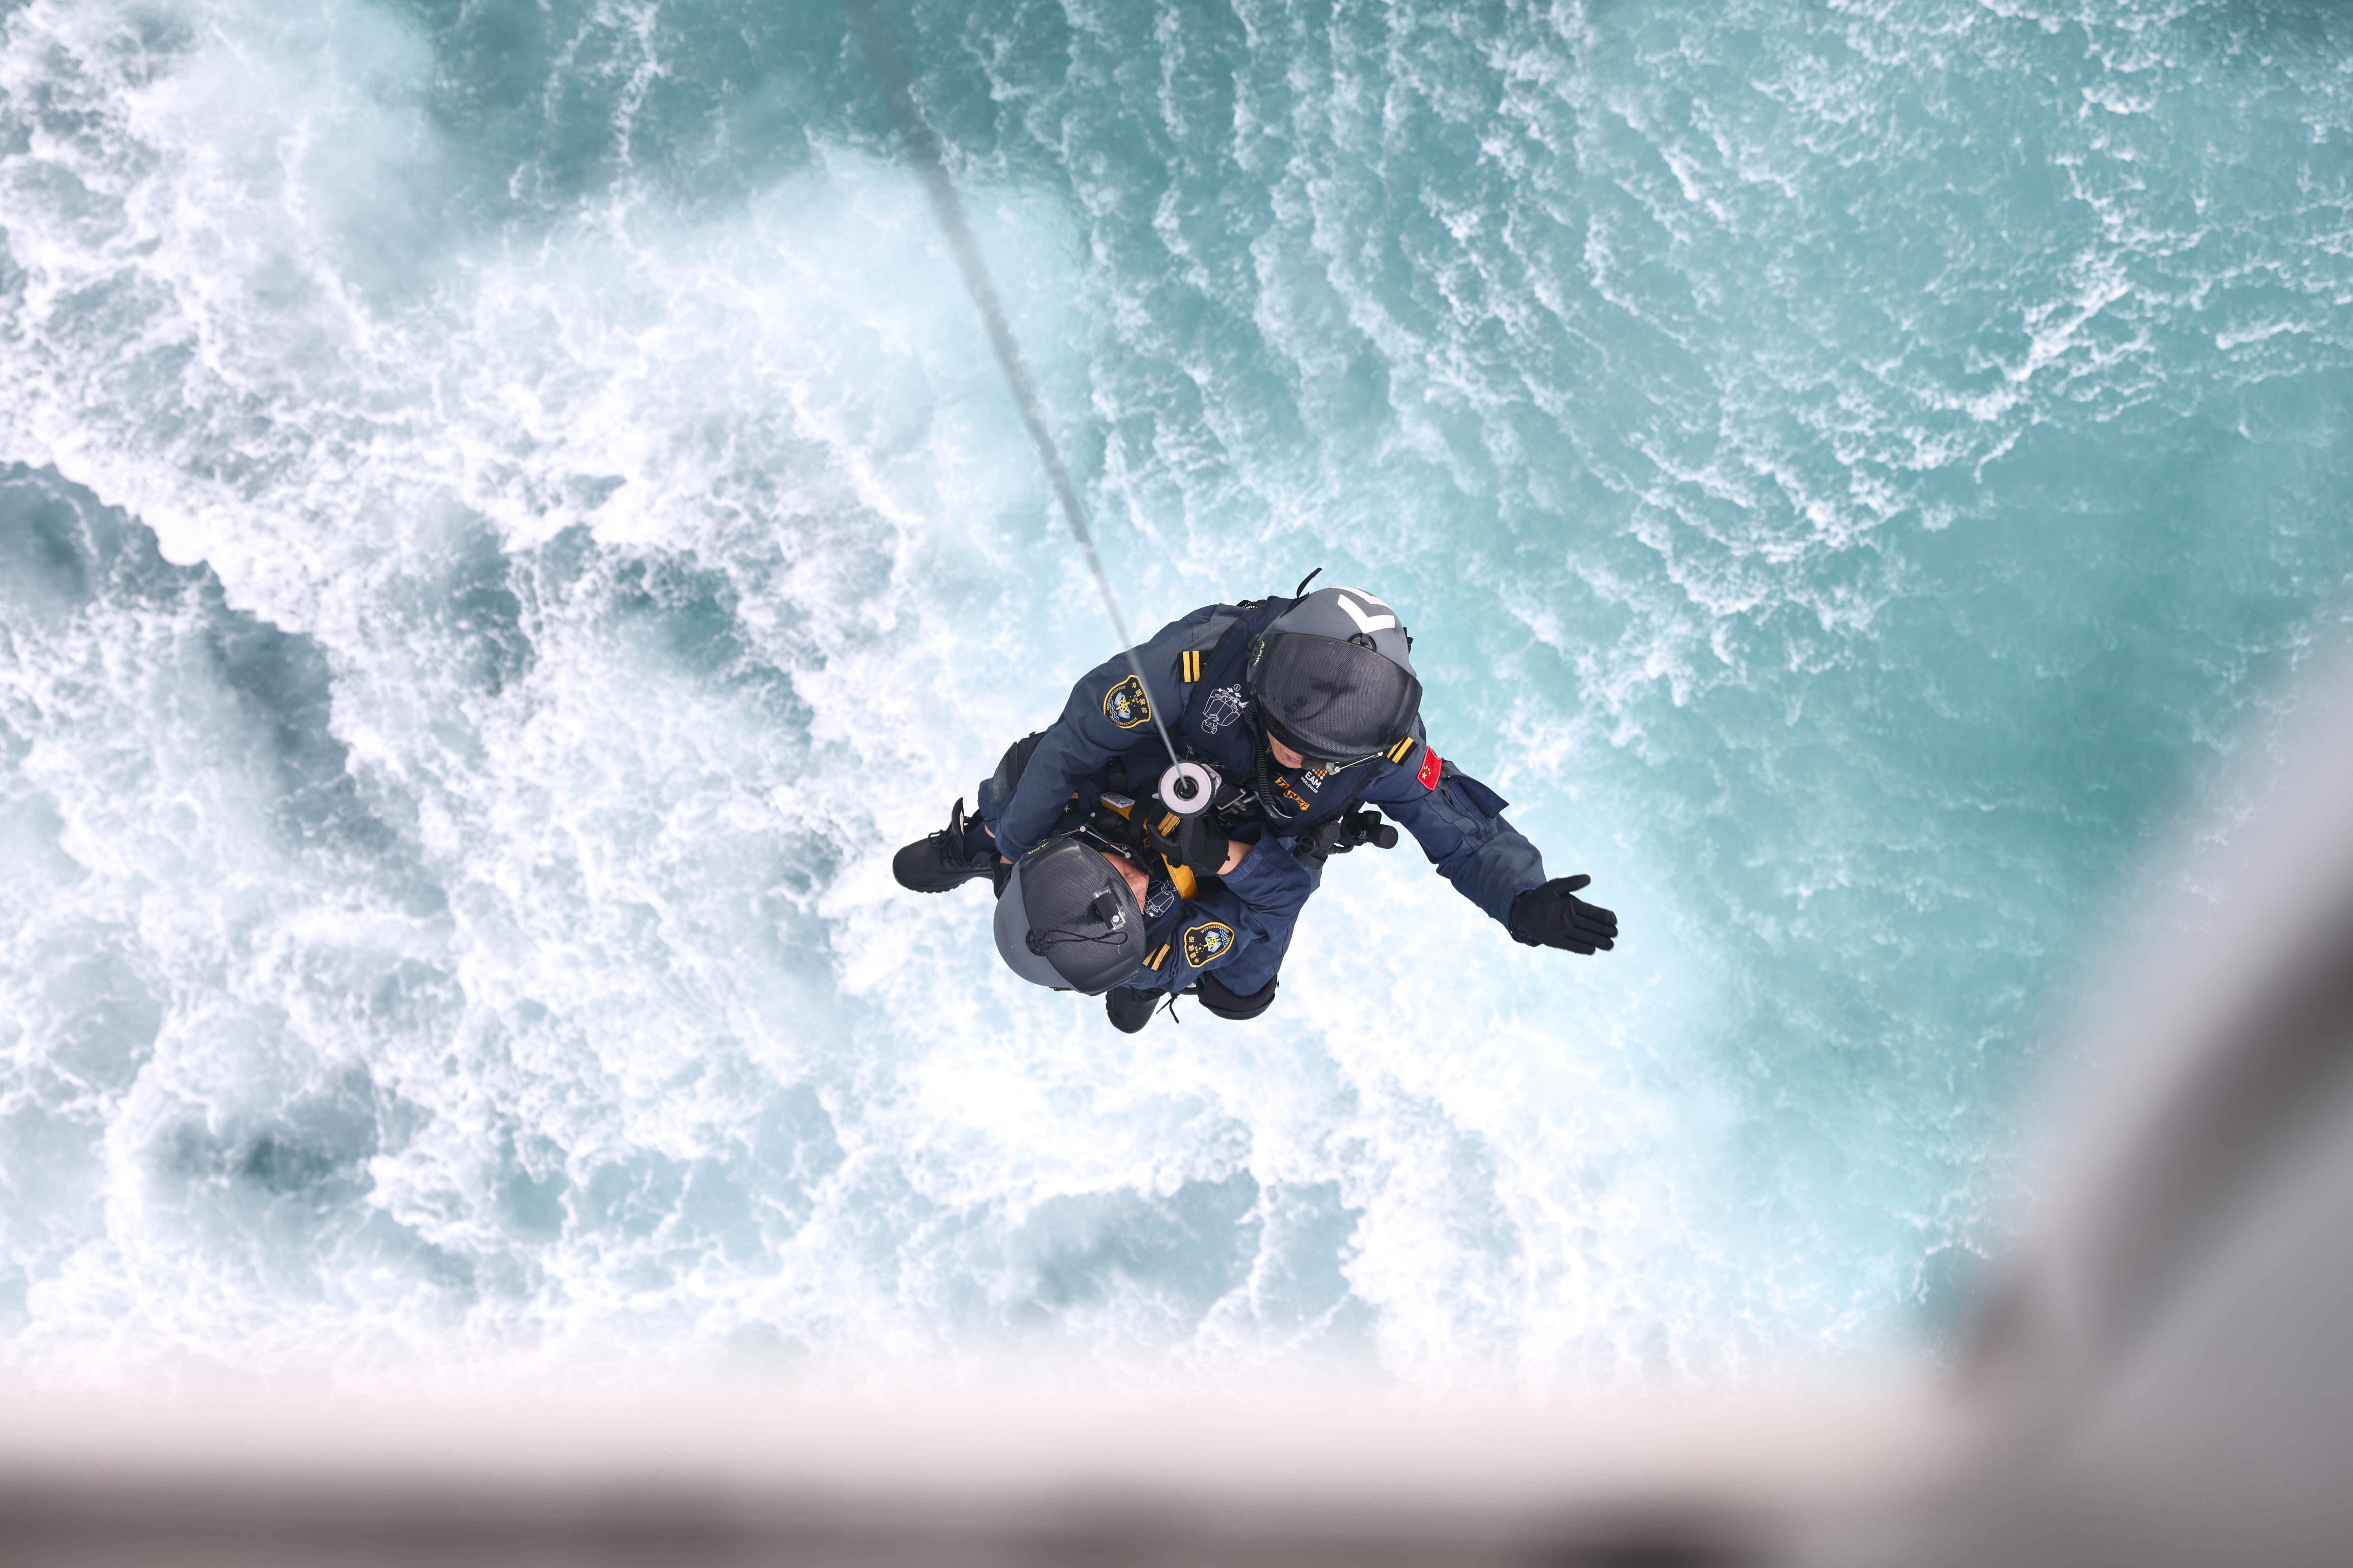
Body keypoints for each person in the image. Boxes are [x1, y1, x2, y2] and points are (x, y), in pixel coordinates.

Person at [895, 580, 1618, 1029]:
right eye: (1289, 733)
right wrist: (1015, 844)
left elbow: (1458, 828)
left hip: (1261, 849)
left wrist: (1520, 898)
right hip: (1157, 775)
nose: (1299, 756)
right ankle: (982, 838)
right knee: (1028, 772)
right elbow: (1081, 733)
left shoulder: (1386, 751)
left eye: (1322, 751)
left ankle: (1145, 977)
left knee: (1238, 994)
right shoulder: (1200, 662)